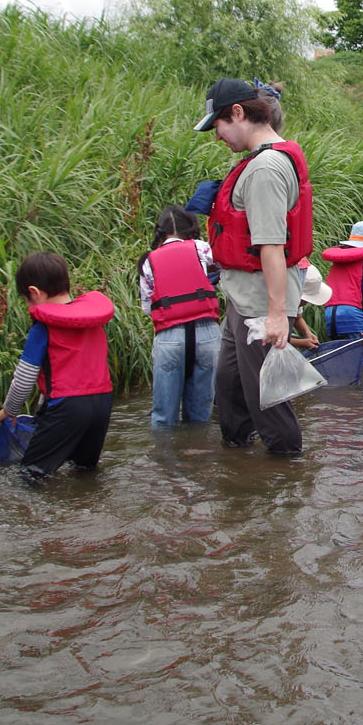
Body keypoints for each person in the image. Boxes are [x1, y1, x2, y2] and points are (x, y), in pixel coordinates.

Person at [196, 78, 313, 456]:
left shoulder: (264, 169)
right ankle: (239, 466)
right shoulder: (260, 160)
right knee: (230, 388)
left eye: (217, 126)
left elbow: (272, 247)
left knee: (269, 401)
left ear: (238, 113)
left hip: (261, 306)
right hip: (241, 300)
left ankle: (287, 479)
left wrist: (277, 316)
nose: (217, 137)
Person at [0, 252, 115, 481]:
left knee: (30, 475)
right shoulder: (92, 321)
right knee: (84, 471)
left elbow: (24, 379)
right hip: (102, 402)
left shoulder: (43, 328)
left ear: (34, 293)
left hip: (67, 406)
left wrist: (8, 410)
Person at [139, 206, 219, 429]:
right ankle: (199, 458)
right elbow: (220, 268)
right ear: (191, 228)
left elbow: (147, 308)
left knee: (164, 418)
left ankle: (166, 460)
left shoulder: (148, 261)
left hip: (170, 337)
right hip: (207, 335)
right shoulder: (202, 248)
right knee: (201, 415)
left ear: (161, 232)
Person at [319, 221, 363, 341]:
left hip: (330, 315)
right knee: (362, 357)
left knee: (342, 357)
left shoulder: (337, 262)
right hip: (353, 317)